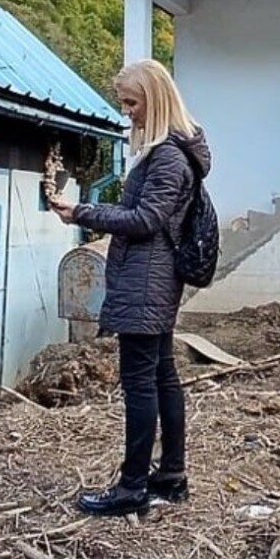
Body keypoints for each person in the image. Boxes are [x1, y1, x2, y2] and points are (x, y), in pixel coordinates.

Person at [50, 58, 210, 517]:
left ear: (155, 101)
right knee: (162, 377)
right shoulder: (174, 152)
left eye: (132, 102)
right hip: (153, 279)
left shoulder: (168, 158)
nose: (127, 111)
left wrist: (83, 212)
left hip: (146, 280)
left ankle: (132, 487)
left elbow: (145, 220)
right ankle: (171, 476)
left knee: (141, 384)